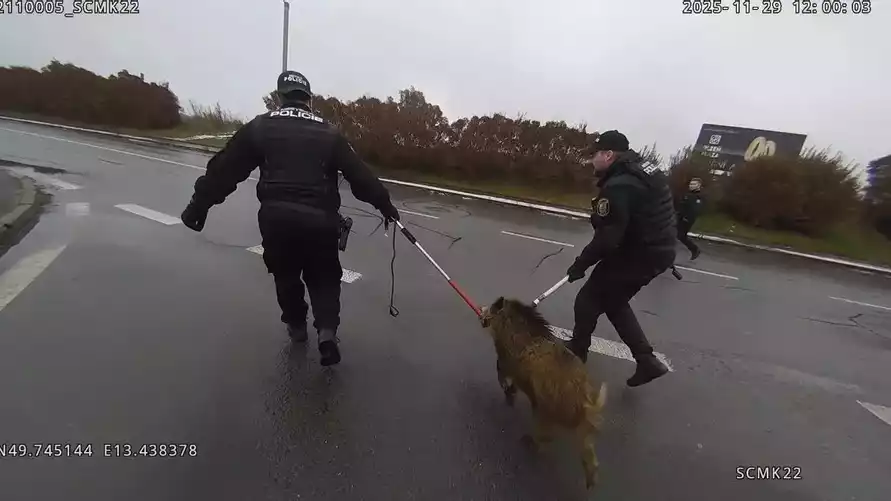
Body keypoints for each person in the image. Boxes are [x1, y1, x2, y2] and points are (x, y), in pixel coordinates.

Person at [180, 70, 400, 367]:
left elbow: (225, 170)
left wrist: (199, 205)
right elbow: (361, 177)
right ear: (308, 100)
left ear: (280, 97)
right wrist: (384, 205)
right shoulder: (329, 132)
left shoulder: (260, 127)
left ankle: (297, 327)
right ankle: (326, 333)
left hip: (276, 221)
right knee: (324, 277)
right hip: (321, 222)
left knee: (285, 275)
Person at [565, 130, 676, 387]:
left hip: (639, 253)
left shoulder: (619, 186)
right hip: (658, 250)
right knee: (614, 300)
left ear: (608, 154)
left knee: (588, 298)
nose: (592, 160)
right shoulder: (644, 169)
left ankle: (577, 352)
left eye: (594, 155)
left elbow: (608, 238)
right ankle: (646, 360)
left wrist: (580, 265)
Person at [676, 177, 703, 260]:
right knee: (674, 234)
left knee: (680, 236)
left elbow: (695, 210)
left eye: (694, 184)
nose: (691, 186)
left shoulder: (697, 197)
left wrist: (687, 218)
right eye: (690, 184)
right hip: (679, 217)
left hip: (686, 220)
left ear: (699, 185)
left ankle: (695, 249)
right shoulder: (688, 194)